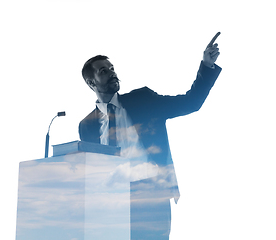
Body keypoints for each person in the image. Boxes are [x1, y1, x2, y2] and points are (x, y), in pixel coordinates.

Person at [78, 33, 222, 239]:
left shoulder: (144, 99)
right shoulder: (87, 126)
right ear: (92, 83)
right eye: (104, 71)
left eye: (112, 69)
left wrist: (207, 65)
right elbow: (92, 171)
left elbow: (191, 102)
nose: (112, 73)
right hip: (113, 201)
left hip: (152, 193)